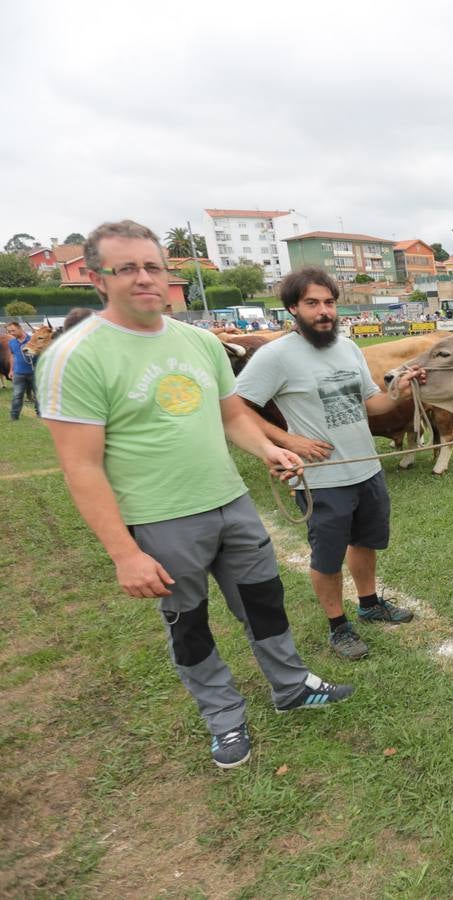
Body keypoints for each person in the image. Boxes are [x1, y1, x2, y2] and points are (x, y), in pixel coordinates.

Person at [36, 220, 352, 770]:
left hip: (232, 503)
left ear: (168, 274)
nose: (143, 278)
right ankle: (225, 719)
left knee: (264, 601)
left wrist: (268, 451)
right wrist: (124, 554)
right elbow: (81, 467)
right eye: (126, 268)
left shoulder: (200, 341)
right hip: (159, 522)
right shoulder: (75, 357)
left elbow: (233, 415)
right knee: (190, 624)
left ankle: (291, 686)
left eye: (153, 266)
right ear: (96, 278)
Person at [235, 267, 417, 661]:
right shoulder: (275, 356)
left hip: (367, 468)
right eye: (312, 303)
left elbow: (372, 404)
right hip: (321, 479)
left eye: (329, 303)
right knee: (327, 556)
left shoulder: (349, 348)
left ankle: (368, 604)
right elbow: (236, 409)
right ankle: (339, 627)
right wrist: (286, 440)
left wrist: (398, 393)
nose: (324, 312)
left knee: (366, 541)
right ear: (292, 309)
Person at [6, 321, 39, 420]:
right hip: (18, 373)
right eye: (9, 331)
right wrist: (11, 370)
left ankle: (40, 414)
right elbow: (12, 356)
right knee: (17, 395)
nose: (11, 333)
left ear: (20, 328)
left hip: (34, 373)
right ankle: (14, 416)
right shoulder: (11, 342)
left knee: (38, 395)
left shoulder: (33, 340)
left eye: (13, 330)